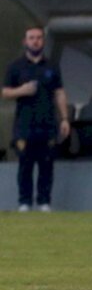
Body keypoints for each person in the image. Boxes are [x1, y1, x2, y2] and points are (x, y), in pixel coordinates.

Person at [2, 27, 70, 212]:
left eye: (39, 38)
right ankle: (24, 202)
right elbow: (5, 92)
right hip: (24, 124)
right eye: (32, 38)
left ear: (43, 41)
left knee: (46, 164)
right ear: (25, 41)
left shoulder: (51, 66)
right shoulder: (16, 67)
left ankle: (44, 202)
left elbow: (59, 92)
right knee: (25, 163)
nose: (35, 41)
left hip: (47, 122)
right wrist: (21, 90)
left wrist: (64, 118)